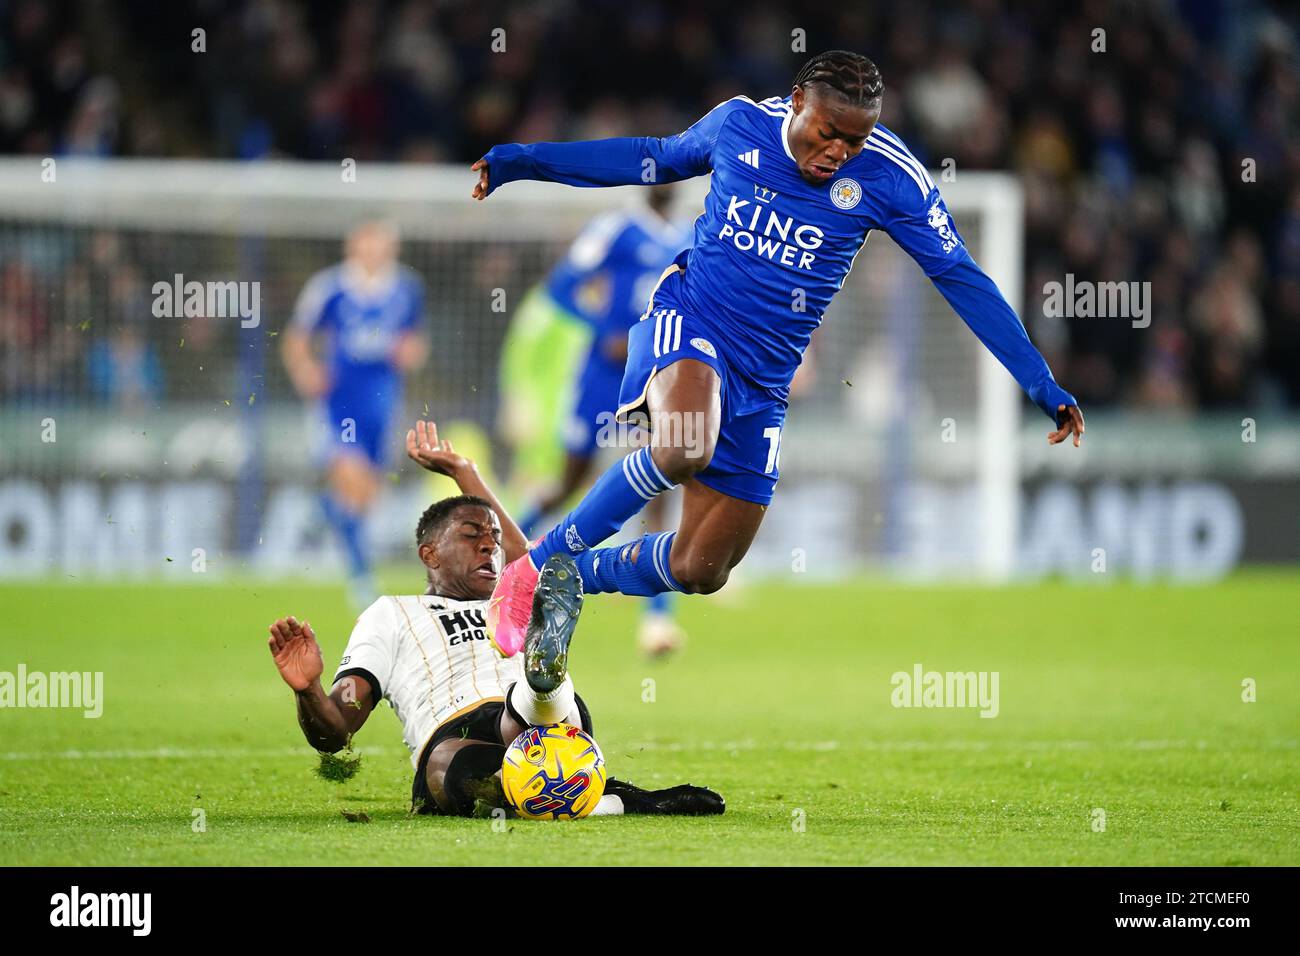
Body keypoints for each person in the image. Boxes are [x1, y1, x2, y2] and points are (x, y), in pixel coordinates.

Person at [470, 50, 1086, 655]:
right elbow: (651, 157)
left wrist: (1039, 381)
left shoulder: (893, 179)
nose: (839, 152)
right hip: (691, 322)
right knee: (685, 444)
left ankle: (568, 581)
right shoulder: (740, 124)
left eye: (855, 140)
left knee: (701, 567)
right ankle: (530, 569)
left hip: (764, 380)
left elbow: (961, 278)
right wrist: (524, 160)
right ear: (797, 105)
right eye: (827, 133)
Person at [266, 420, 724, 818]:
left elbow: (531, 560)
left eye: (492, 538)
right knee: (449, 765)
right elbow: (336, 731)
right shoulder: (391, 613)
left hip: (547, 730)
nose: (489, 545)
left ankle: (541, 687)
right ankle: (613, 797)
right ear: (429, 554)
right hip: (455, 734)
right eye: (471, 537)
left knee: (524, 710)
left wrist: (467, 473)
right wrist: (307, 690)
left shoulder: (512, 596)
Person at [511, 185, 689, 656]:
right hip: (600, 376)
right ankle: (508, 549)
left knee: (660, 482)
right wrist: (605, 329)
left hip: (653, 373)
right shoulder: (616, 228)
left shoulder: (692, 232)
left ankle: (656, 618)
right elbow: (563, 285)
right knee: (569, 483)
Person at [281, 219, 428, 609]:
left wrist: (409, 352)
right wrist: (306, 371)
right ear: (354, 246)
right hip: (338, 404)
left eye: (383, 246)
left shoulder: (405, 288)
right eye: (368, 244)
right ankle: (362, 578)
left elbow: (415, 342)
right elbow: (296, 338)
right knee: (351, 478)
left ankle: (322, 511)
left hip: (382, 403)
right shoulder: (330, 287)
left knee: (365, 498)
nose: (375, 252)